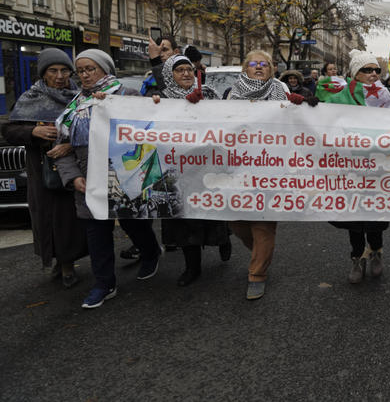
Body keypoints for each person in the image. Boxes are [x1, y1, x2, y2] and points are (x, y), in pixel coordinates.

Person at [54, 49, 161, 308]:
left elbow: (151, 129)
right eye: (81, 70)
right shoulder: (75, 105)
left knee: (133, 224)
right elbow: (63, 147)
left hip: (125, 176)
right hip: (89, 179)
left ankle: (150, 253)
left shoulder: (127, 96)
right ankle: (104, 284)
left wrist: (156, 104)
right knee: (97, 232)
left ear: (105, 69)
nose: (85, 75)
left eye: (91, 69)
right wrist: (73, 178)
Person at [2, 49, 85, 288]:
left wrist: (71, 144)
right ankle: (58, 261)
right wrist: (32, 132)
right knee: (47, 219)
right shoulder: (31, 98)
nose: (59, 76)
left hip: (72, 169)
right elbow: (9, 131)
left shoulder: (78, 98)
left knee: (68, 220)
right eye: (53, 70)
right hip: (41, 171)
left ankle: (68, 264)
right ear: (44, 73)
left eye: (64, 70)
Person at [152, 55, 232, 286]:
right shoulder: (161, 98)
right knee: (183, 216)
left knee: (214, 210)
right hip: (178, 168)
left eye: (189, 69)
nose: (186, 73)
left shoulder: (207, 94)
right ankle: (192, 267)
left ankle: (224, 239)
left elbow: (226, 121)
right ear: (170, 74)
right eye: (180, 70)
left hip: (208, 164)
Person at [317, 49, 390, 283]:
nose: (373, 74)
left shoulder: (386, 94)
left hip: (377, 164)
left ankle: (377, 252)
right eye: (366, 70)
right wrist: (313, 107)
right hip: (349, 164)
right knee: (354, 215)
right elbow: (324, 119)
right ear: (355, 73)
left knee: (375, 216)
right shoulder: (340, 95)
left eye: (376, 70)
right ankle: (357, 257)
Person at [226, 50, 289, 300]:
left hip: (269, 167)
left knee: (262, 223)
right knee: (238, 223)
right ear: (245, 68)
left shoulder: (280, 91)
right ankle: (262, 252)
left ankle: (257, 273)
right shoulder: (231, 94)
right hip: (238, 166)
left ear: (272, 69)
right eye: (253, 64)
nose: (259, 67)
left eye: (264, 64)